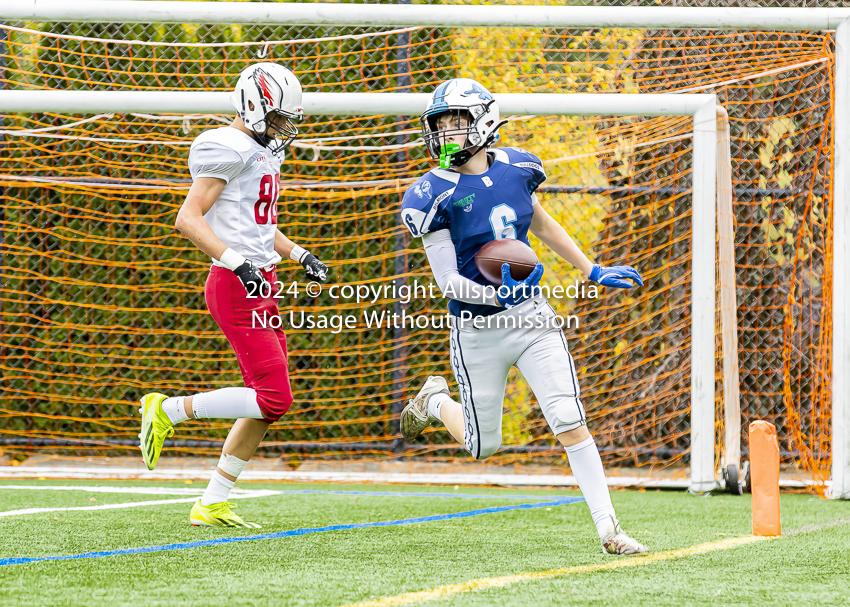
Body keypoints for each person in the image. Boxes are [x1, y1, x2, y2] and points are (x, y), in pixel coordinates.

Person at [399, 78, 647, 554]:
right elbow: (448, 282)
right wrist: (497, 296)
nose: (446, 134)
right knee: (481, 446)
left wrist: (590, 269)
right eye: (439, 125)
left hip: (532, 319)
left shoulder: (518, 167)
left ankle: (610, 531)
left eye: (456, 122)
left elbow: (540, 222)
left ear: (485, 120)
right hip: (477, 330)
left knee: (569, 417)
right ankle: (433, 400)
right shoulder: (430, 195)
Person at [138, 63, 329, 529]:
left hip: (261, 279)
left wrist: (300, 254)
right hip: (235, 284)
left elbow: (258, 224)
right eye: (278, 117)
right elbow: (188, 218)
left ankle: (213, 501)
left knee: (266, 405)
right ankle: (167, 409)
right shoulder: (225, 145)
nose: (284, 128)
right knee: (274, 398)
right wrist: (236, 263)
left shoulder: (263, 151)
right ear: (251, 106)